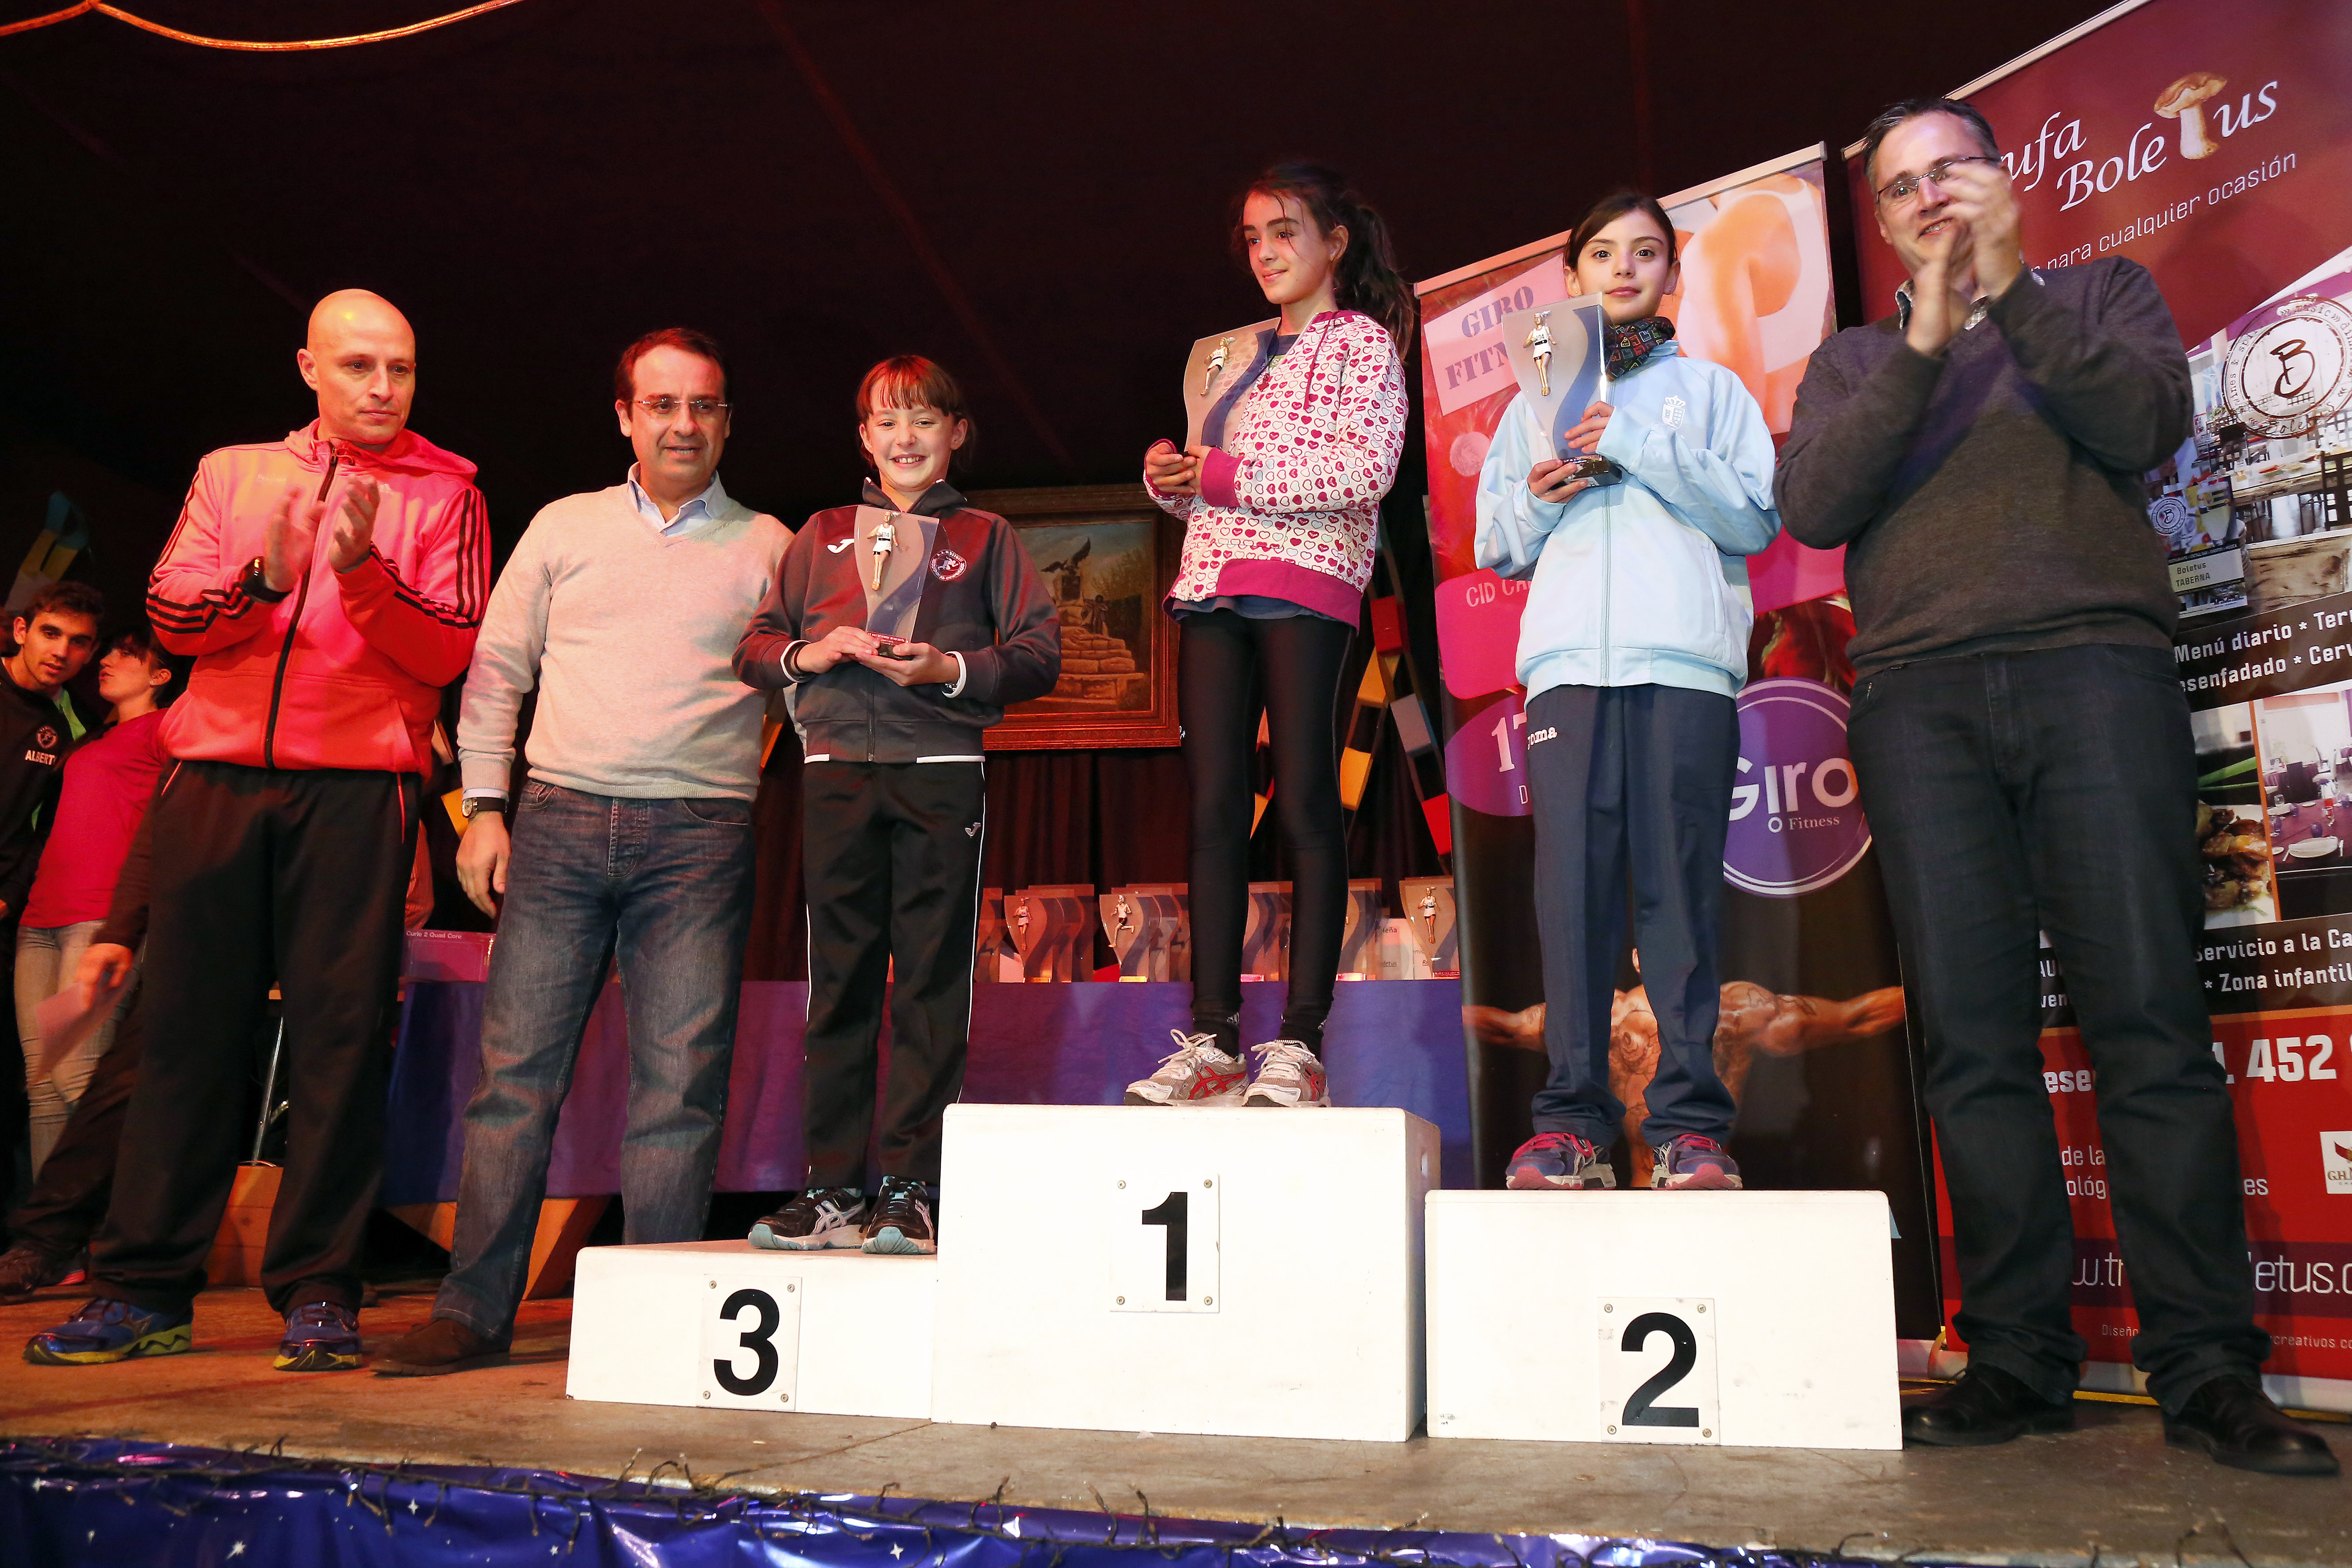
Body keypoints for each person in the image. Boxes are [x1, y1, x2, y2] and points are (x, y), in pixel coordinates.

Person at [1775, 97, 2335, 1476]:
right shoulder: (1852, 357)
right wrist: (1923, 337)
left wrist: (2010, 289)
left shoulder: (2097, 294)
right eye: (1899, 186)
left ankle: (2205, 1366)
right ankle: (2015, 1359)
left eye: (1949, 168)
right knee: (1971, 1042)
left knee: (2147, 1018)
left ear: (2002, 178)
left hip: (2093, 672)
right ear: (1880, 221)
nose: (1927, 196)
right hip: (1918, 702)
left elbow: (2140, 418)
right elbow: (1817, 505)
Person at [25, 289, 488, 1374]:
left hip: (357, 792)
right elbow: (173, 615)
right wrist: (268, 577)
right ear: (309, 368)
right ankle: (143, 1287)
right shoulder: (232, 474)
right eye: (359, 366)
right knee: (182, 1038)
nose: (383, 387)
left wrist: (363, 571)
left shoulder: (449, 491)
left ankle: (320, 1289)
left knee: (337, 1046)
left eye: (402, 368)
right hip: (216, 779)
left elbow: (447, 650)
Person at [375, 329, 788, 1376]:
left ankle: (655, 1322)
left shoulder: (771, 546)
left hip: (699, 835)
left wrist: (729, 769)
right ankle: (473, 1310)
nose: (682, 424)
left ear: (727, 421)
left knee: (679, 1086)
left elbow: (799, 690)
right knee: (514, 1079)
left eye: (702, 405)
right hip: (556, 824)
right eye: (661, 404)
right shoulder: (564, 525)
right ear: (624, 417)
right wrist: (483, 810)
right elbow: (496, 673)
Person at [1474, 190, 1780, 1192]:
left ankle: (1690, 1129)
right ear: (1571, 278)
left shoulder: (1715, 392)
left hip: (1684, 665)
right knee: (1571, 900)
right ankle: (1570, 1126)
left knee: (1677, 896)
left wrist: (1640, 444)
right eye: (1601, 253)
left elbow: (1754, 520)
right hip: (1567, 672)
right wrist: (1538, 499)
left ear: (1672, 275)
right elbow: (1494, 544)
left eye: (1645, 252)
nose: (1622, 268)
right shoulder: (1531, 403)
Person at [732, 354, 1057, 1256]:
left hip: (940, 770)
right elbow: (754, 646)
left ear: (956, 432)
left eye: (923, 419)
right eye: (887, 420)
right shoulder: (820, 534)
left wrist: (949, 667)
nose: (904, 437)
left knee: (928, 982)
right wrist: (812, 653)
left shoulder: (987, 536)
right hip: (834, 769)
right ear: (864, 438)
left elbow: (1039, 652)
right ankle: (831, 1185)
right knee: (837, 981)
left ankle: (910, 1186)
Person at [1126, 161, 1410, 1111]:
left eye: (1284, 232)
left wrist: (1218, 474)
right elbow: (1212, 474)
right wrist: (1171, 475)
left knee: (1305, 805)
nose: (1265, 253)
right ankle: (1211, 1037)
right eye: (1252, 237)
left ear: (1335, 242)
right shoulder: (1228, 350)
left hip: (1307, 584)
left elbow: (1361, 469)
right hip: (1212, 582)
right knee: (1213, 808)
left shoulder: (1361, 342)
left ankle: (1301, 1041)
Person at [13, 626, 177, 1174]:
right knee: (42, 1083)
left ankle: (125, 1212)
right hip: (41, 918)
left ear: (159, 676)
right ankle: (50, 1226)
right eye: (108, 652)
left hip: (102, 919)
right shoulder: (91, 737)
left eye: (126, 656)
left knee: (76, 1073)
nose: (107, 660)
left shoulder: (166, 728)